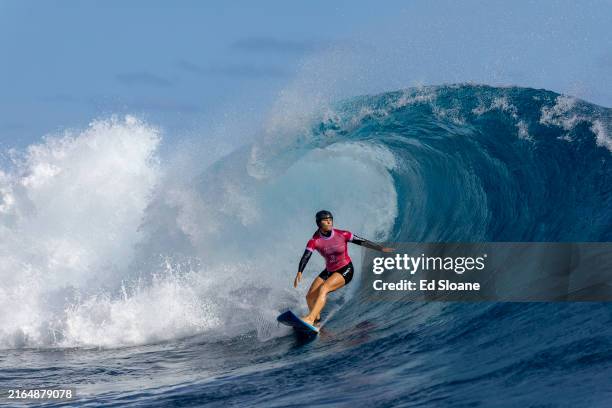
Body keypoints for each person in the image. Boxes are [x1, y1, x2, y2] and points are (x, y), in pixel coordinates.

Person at [294, 210, 394, 326]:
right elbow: (306, 255)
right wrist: (300, 271)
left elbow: (362, 241)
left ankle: (310, 319)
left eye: (330, 219)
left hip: (345, 269)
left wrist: (380, 248)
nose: (329, 221)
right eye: (326, 220)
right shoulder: (315, 241)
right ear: (318, 223)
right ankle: (316, 319)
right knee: (309, 297)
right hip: (329, 270)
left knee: (324, 289)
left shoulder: (343, 234)